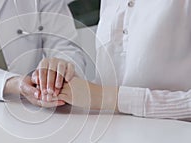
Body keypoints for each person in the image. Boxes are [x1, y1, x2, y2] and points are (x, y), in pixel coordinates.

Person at [55, 0, 191, 120]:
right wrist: (59, 87)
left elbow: (102, 96)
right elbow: (116, 78)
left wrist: (106, 98)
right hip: (109, 139)